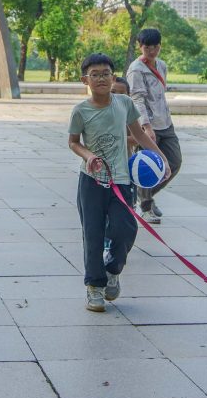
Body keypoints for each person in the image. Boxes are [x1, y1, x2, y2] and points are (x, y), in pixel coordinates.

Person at [68, 53, 170, 313]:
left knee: (126, 229)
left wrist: (162, 159)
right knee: (92, 235)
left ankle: (112, 269)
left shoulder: (124, 103)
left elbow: (138, 134)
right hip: (91, 182)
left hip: (121, 181)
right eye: (95, 74)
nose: (101, 78)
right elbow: (73, 142)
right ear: (85, 80)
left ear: (113, 78)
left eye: (105, 74)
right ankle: (94, 288)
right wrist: (89, 155)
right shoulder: (80, 110)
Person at [126, 27, 182, 225]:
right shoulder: (136, 69)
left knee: (174, 162)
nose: (151, 51)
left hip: (165, 122)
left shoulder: (162, 65)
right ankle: (146, 207)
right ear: (140, 47)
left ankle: (143, 195)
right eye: (147, 47)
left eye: (155, 47)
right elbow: (137, 99)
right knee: (147, 165)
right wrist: (146, 127)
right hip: (147, 126)